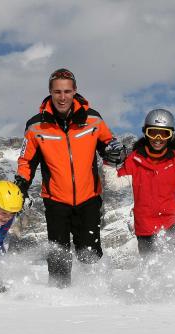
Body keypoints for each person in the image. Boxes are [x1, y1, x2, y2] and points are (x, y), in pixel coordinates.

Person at [14, 68, 124, 288]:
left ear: (75, 91)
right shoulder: (36, 126)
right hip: (56, 201)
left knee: (89, 253)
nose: (62, 97)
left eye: (66, 91)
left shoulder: (93, 119)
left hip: (89, 198)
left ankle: (96, 293)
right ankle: (59, 296)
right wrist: (21, 185)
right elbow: (27, 161)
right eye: (57, 92)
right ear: (50, 92)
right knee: (58, 255)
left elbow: (109, 146)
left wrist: (117, 152)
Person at [117, 109, 175, 257]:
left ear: (170, 136)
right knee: (151, 270)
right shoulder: (134, 159)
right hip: (145, 227)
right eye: (153, 133)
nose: (158, 138)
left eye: (164, 134)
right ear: (145, 133)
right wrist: (111, 163)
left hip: (172, 221)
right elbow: (117, 182)